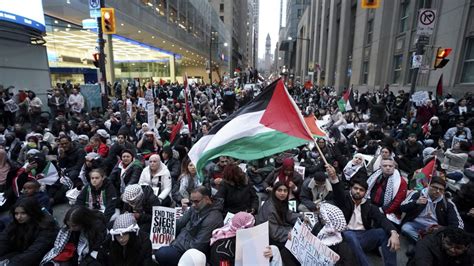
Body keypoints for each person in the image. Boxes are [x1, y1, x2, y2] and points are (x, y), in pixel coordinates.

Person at [326, 164, 400, 266]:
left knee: (385, 233)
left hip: (363, 237)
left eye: (361, 190)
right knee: (349, 235)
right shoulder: (344, 200)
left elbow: (382, 219)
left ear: (365, 193)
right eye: (355, 188)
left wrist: (394, 232)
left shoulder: (369, 205)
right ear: (351, 189)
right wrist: (334, 177)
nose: (358, 191)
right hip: (345, 237)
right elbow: (338, 191)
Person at [154, 186, 223, 266]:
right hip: (181, 243)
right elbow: (180, 223)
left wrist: (175, 243)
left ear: (207, 199)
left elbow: (198, 246)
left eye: (196, 201)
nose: (193, 205)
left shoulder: (213, 218)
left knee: (162, 253)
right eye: (192, 201)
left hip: (190, 253)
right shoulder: (196, 208)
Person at [401, 176, 464, 242]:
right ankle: (425, 244)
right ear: (428, 185)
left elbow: (457, 223)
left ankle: (420, 243)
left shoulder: (448, 203)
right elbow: (402, 207)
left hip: (434, 229)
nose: (437, 191)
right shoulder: (417, 194)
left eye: (441, 189)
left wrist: (443, 229)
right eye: (435, 187)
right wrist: (415, 202)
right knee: (405, 228)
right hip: (415, 224)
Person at [41, 206, 108, 265]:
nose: (70, 229)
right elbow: (63, 245)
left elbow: (95, 252)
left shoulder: (97, 230)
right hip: (76, 254)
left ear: (83, 222)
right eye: (69, 225)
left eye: (74, 226)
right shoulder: (70, 228)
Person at [209, 212, 282, 266]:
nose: (253, 228)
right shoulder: (222, 249)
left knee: (274, 249)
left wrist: (268, 254)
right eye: (251, 227)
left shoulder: (246, 237)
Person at [256, 182, 303, 266]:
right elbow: (274, 233)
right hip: (268, 237)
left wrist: (302, 217)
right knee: (293, 247)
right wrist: (289, 232)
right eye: (280, 190)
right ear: (274, 191)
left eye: (285, 191)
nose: (282, 193)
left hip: (280, 229)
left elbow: (289, 215)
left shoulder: (280, 202)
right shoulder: (270, 208)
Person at [0, 198, 58, 266]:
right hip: (21, 253)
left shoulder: (47, 227)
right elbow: (4, 239)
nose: (18, 217)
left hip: (39, 259)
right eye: (16, 213)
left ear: (32, 212)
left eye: (23, 213)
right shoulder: (16, 223)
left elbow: (35, 251)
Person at [366, 158, 407, 224]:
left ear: (394, 167)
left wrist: (382, 210)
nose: (388, 168)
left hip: (389, 211)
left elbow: (397, 202)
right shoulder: (376, 175)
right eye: (385, 166)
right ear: (380, 167)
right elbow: (368, 191)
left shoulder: (400, 182)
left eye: (390, 166)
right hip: (372, 205)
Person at [408, 227, 473, 266]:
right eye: (449, 244)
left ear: (466, 247)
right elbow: (422, 263)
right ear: (442, 237)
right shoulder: (426, 244)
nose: (452, 250)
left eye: (458, 248)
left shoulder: (470, 251)